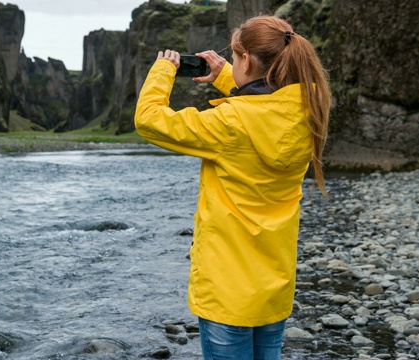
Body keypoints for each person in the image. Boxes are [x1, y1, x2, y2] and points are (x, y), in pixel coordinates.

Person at [134, 15, 332, 360]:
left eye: (236, 56)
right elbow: (267, 109)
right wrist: (228, 76)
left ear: (248, 61)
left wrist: (164, 69)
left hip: (227, 290)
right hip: (274, 286)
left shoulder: (229, 124)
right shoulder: (310, 110)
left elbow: (149, 120)